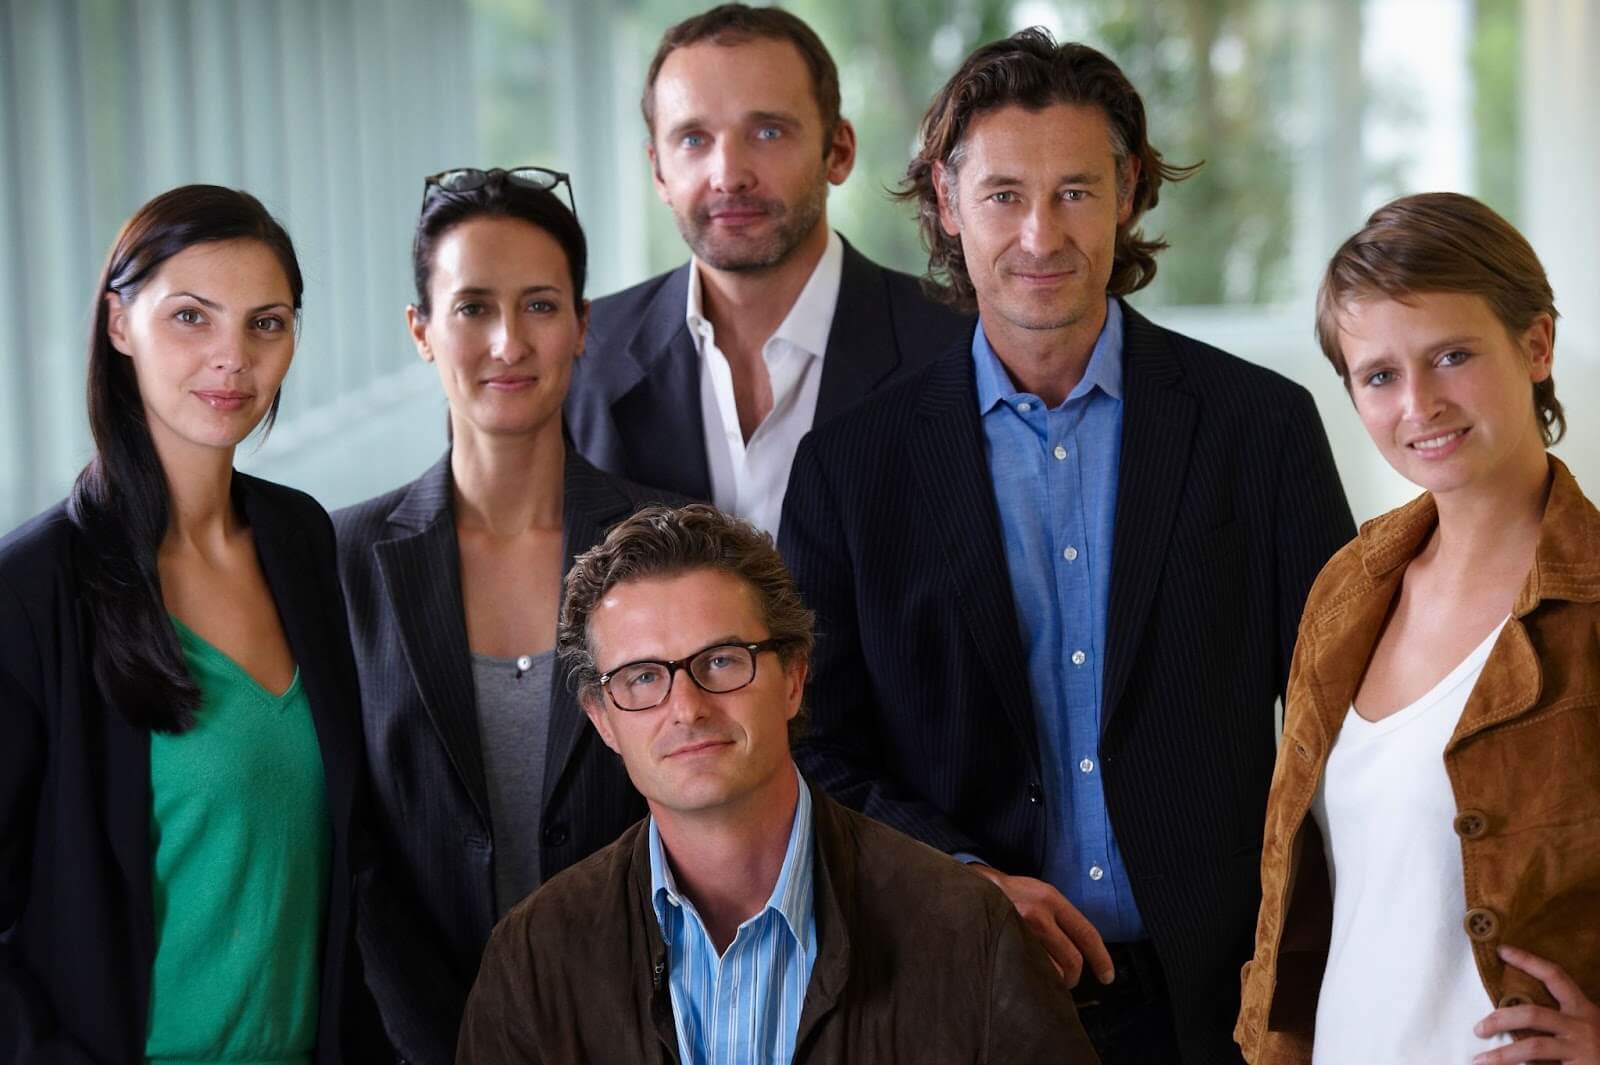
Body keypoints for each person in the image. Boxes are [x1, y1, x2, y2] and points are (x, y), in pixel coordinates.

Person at [779, 30, 1355, 1065]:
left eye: (1076, 191)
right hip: (959, 983)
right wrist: (963, 876)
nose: (1040, 234)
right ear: (946, 204)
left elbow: (1346, 722)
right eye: (1003, 194)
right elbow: (812, 747)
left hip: (1224, 992)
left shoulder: (1258, 428)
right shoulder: (849, 469)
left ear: (1129, 191)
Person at [457, 504, 1098, 1063]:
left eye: (721, 661)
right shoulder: (533, 957)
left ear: (794, 677)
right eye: (644, 677)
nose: (687, 707)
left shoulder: (966, 928)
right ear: (602, 719)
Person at [0, 186, 374, 1062]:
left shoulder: (302, 539)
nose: (232, 358)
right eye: (191, 318)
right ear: (119, 323)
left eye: (266, 323)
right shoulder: (31, 594)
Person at [1236, 193, 1600, 1064]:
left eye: (1453, 355)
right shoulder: (1350, 587)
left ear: (1536, 345)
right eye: (1380, 375)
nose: (1420, 403)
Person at [332, 167, 681, 1065]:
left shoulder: (674, 545)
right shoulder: (341, 560)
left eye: (538, 305)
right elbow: (350, 849)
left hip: (652, 1029)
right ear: (420, 331)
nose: (507, 342)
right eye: (472, 307)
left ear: (582, 326)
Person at [565, 2, 970, 537]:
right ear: (657, 171)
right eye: (693, 139)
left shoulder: (956, 346)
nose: (729, 175)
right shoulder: (583, 355)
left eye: (769, 132)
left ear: (839, 151)